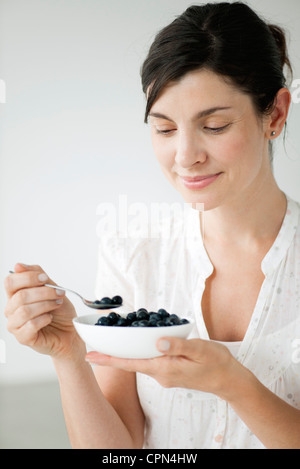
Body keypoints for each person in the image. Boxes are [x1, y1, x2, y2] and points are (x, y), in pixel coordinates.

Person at [4, 2, 300, 449]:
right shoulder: (134, 254)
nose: (185, 156)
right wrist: (69, 357)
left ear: (275, 115)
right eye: (164, 129)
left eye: (214, 126)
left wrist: (236, 384)